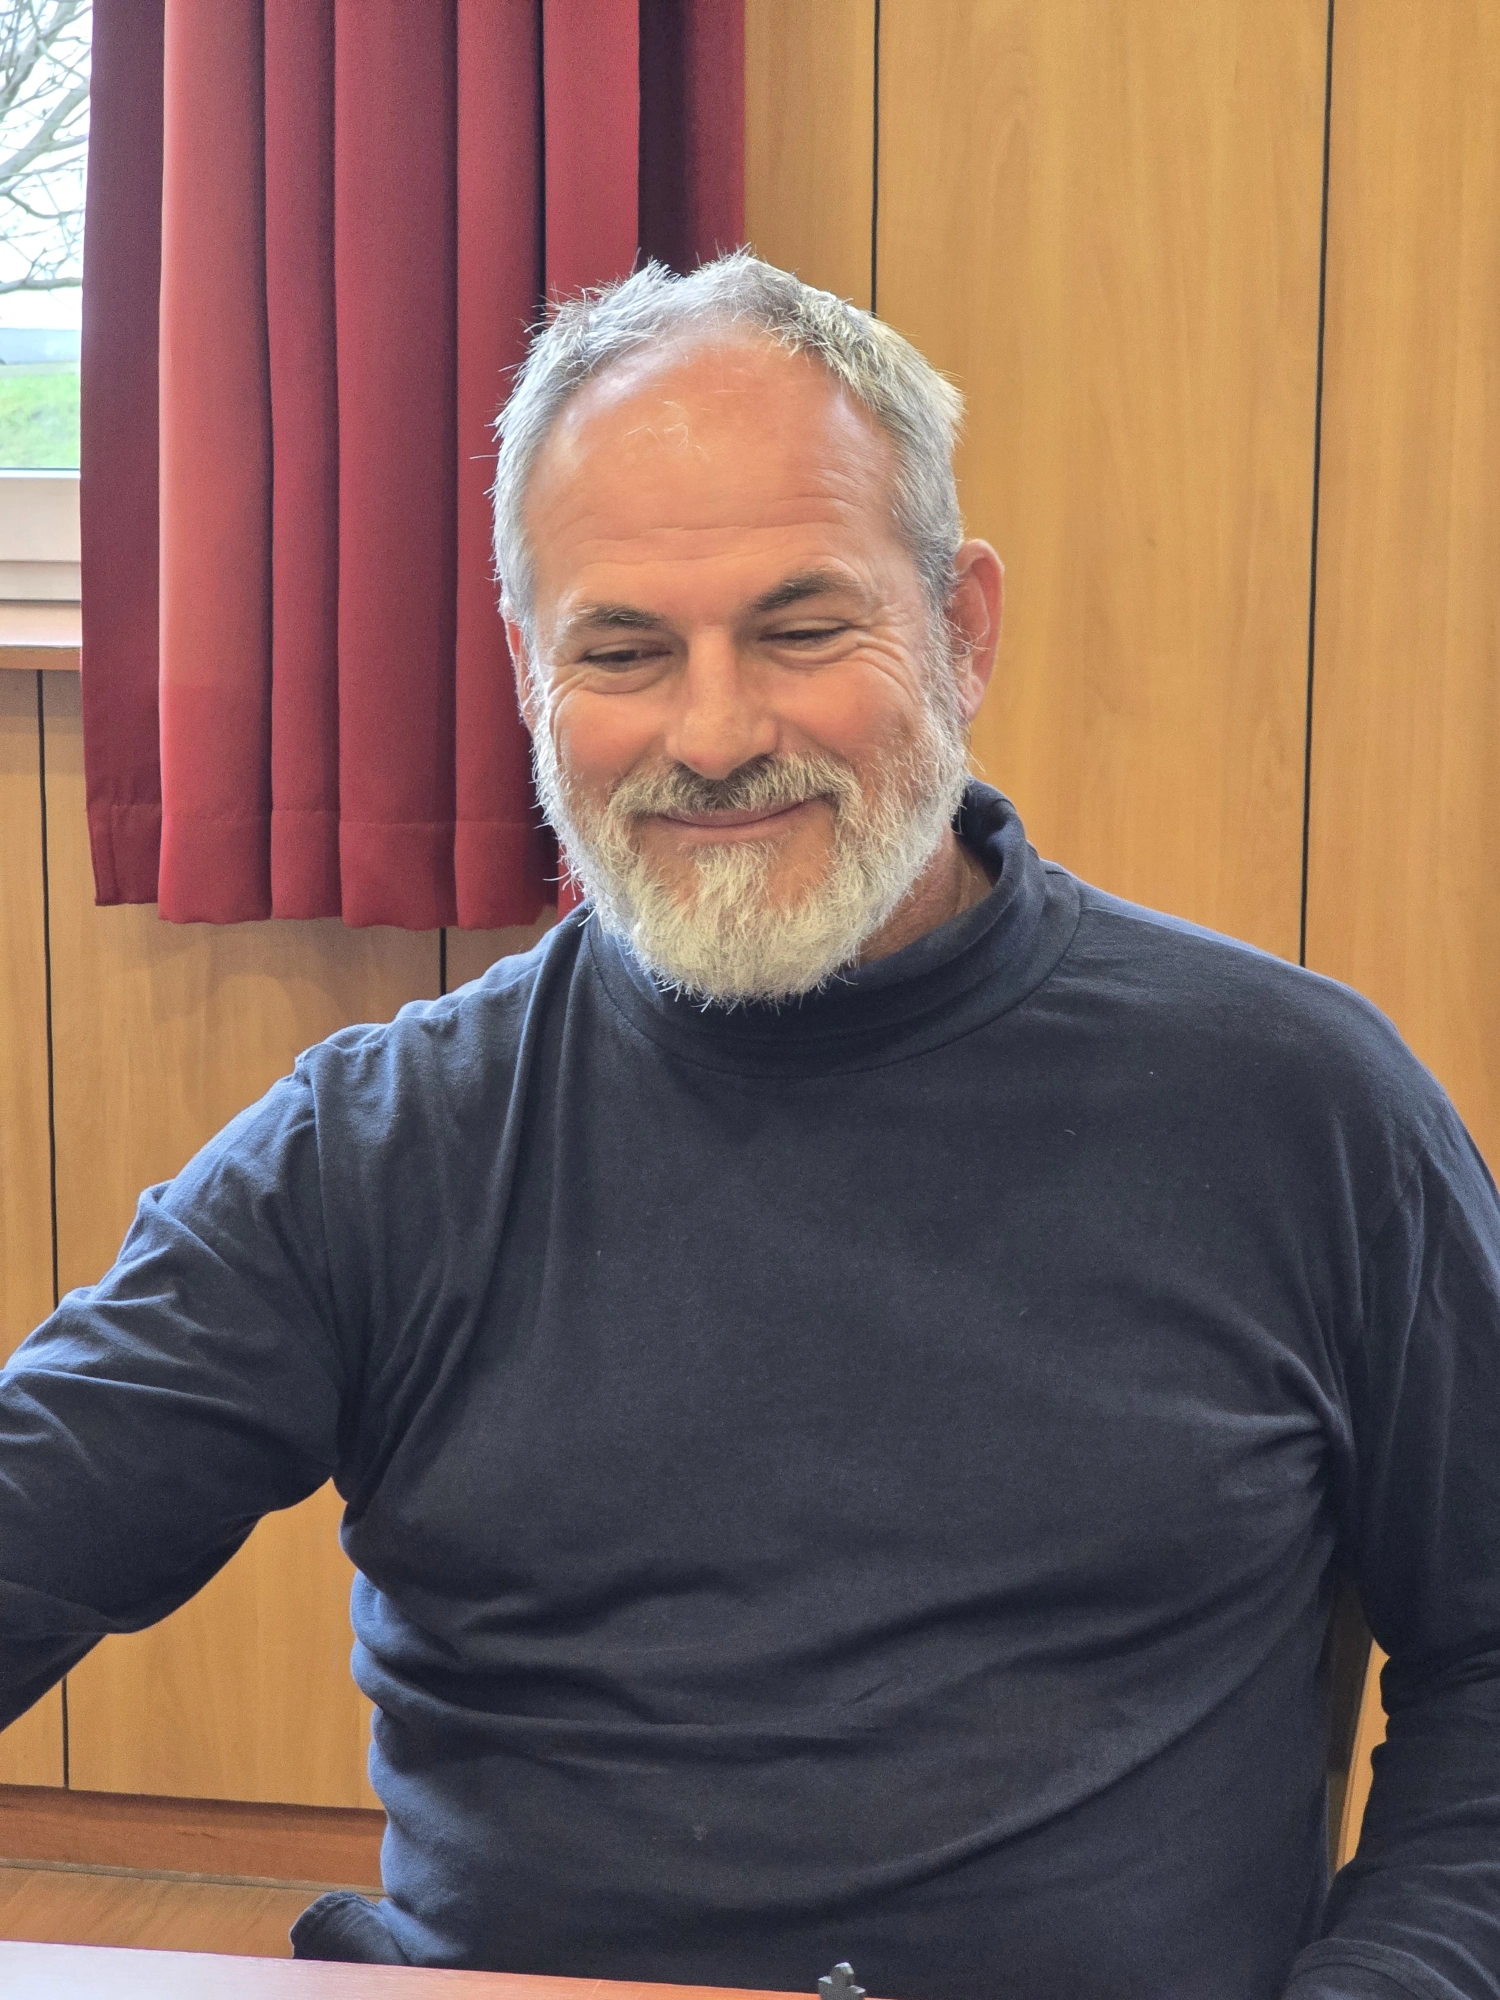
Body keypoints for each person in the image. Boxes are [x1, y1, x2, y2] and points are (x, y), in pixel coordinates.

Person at [2, 253, 1498, 2000]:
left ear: (963, 629)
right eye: (624, 649)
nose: (712, 735)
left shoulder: (1301, 1107)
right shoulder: (379, 1153)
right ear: (530, 672)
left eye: (801, 629)